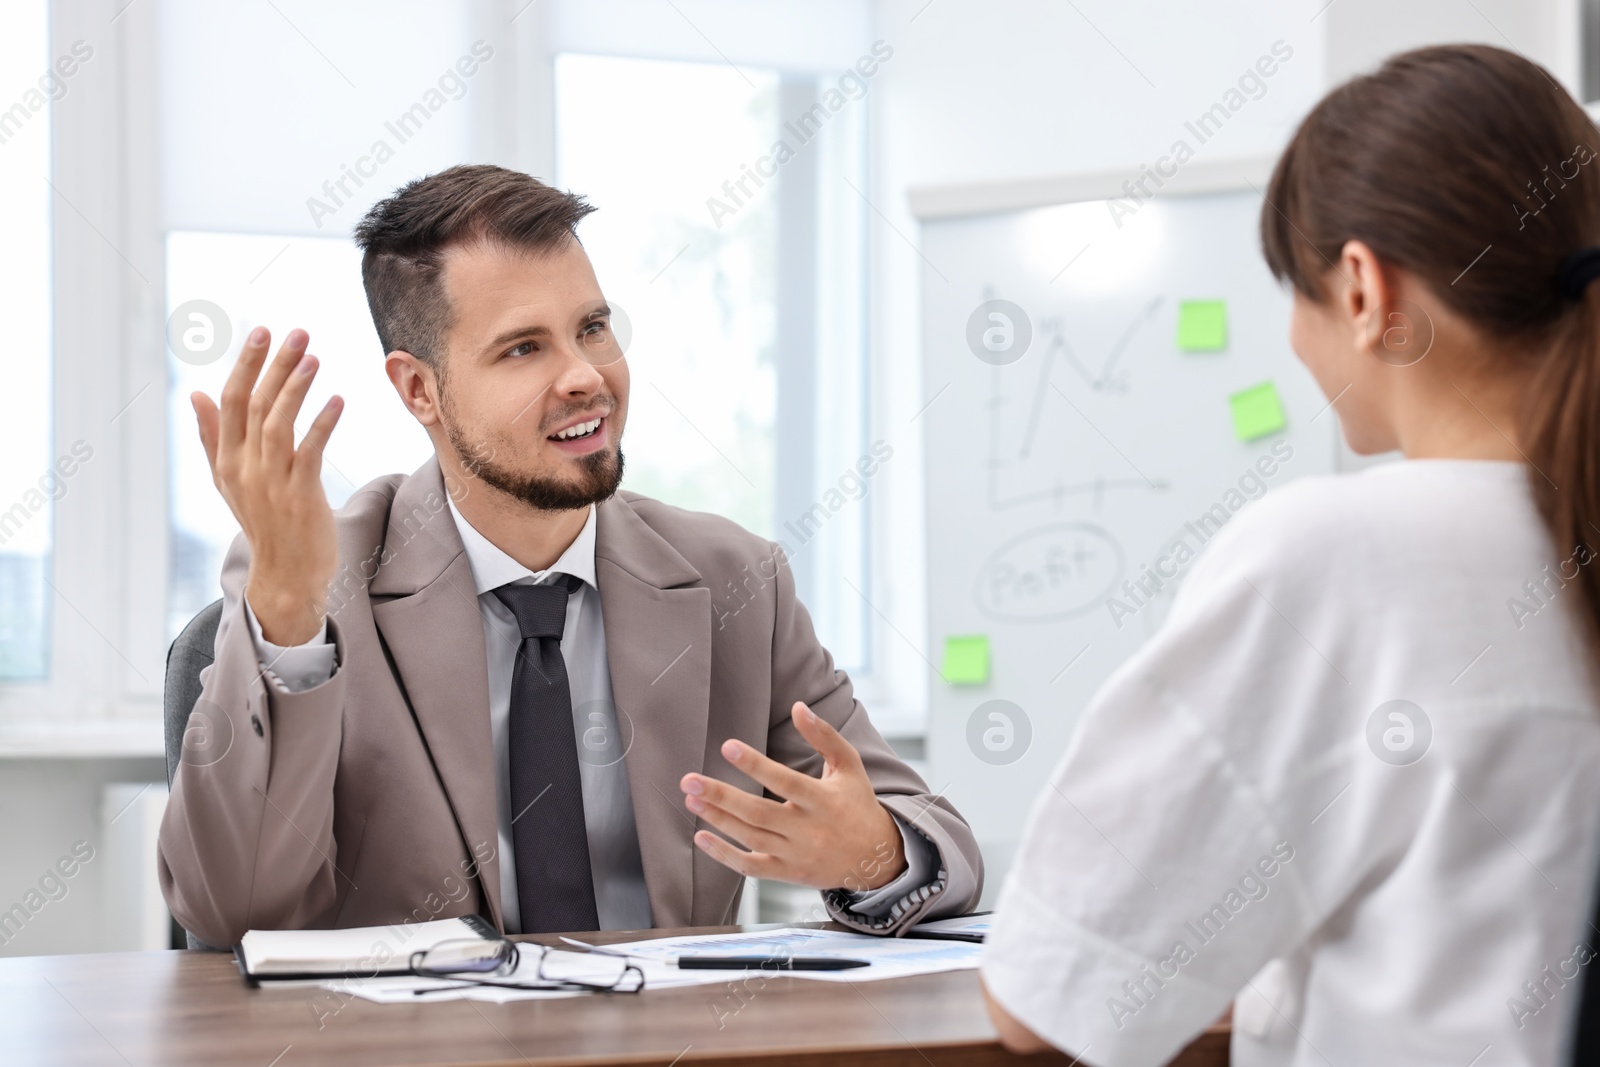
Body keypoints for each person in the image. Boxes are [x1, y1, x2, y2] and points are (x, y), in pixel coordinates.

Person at [158, 164, 981, 949]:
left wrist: (872, 853)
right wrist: (291, 617)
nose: (587, 375)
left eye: (592, 327)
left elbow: (939, 842)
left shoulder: (735, 580)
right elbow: (233, 911)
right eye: (524, 348)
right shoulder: (312, 572)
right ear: (419, 390)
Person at [981, 44, 1600, 1066]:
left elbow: (1051, 998)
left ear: (1362, 289)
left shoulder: (1343, 557)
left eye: (1294, 291)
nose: (1293, 341)